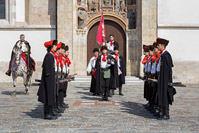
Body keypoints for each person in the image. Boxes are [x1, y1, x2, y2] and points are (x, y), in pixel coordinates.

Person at [37, 40, 58, 120]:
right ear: (51, 47)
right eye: (55, 46)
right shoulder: (49, 56)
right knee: (48, 96)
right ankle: (47, 113)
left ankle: (50, 111)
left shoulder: (51, 55)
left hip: (51, 80)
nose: (56, 47)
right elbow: (47, 70)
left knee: (50, 96)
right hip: (48, 80)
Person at [156, 37, 175, 120]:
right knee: (161, 95)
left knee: (165, 96)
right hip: (162, 79)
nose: (157, 46)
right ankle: (162, 112)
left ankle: (166, 114)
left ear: (162, 45)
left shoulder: (166, 55)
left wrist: (169, 81)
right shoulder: (162, 55)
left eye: (158, 45)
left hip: (165, 80)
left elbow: (169, 70)